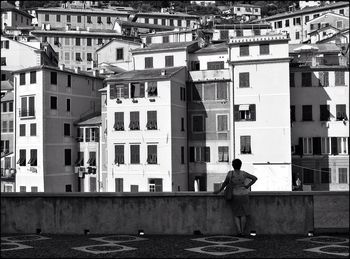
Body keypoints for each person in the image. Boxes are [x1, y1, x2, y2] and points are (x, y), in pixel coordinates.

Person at [213, 159, 257, 237]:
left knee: (237, 214)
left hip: (235, 195)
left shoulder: (230, 174)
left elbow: (225, 183)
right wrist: (247, 186)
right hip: (244, 194)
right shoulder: (244, 173)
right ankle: (243, 232)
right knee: (243, 214)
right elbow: (254, 178)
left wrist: (219, 190)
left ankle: (239, 232)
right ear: (240, 165)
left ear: (233, 165)